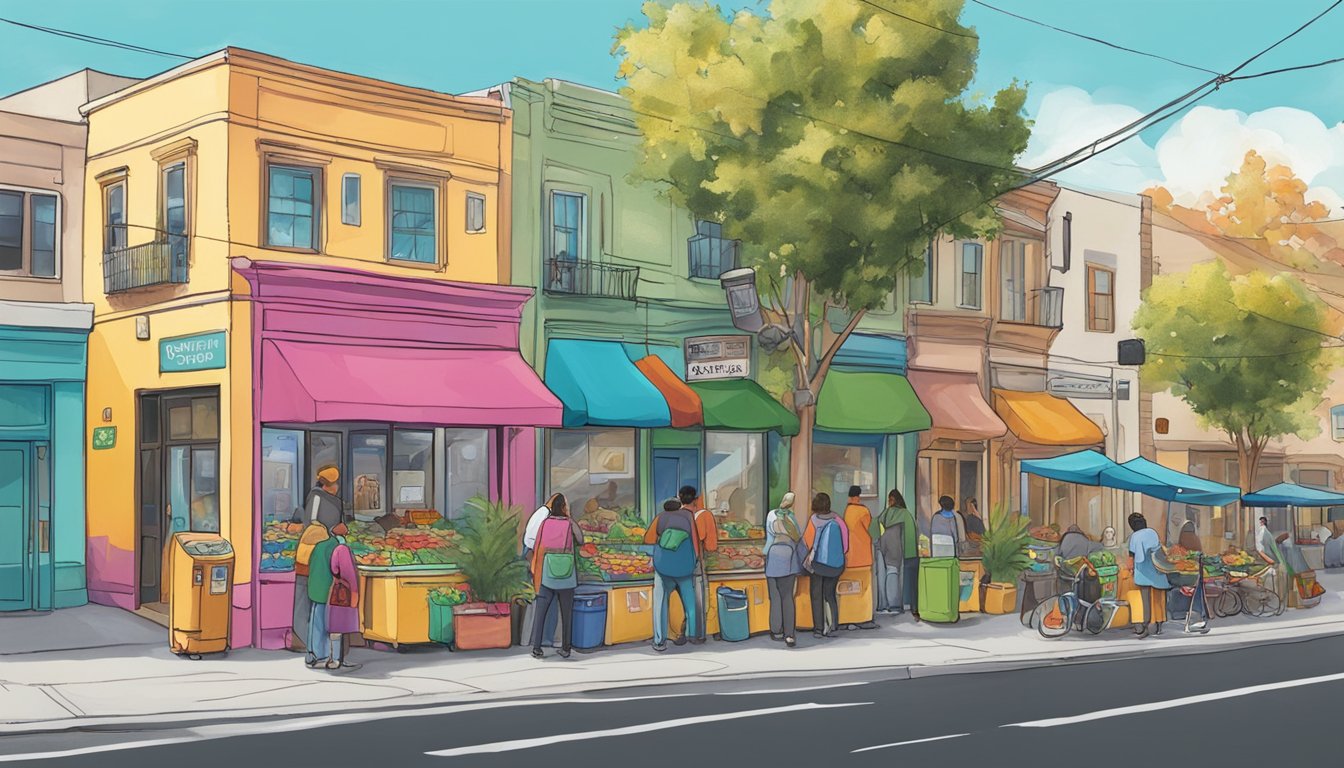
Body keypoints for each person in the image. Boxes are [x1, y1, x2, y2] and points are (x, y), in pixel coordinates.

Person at [289, 466, 343, 654]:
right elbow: (312, 526)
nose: (337, 486)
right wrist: (332, 531)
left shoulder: (334, 501)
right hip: (311, 556)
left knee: (317, 602)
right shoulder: (317, 498)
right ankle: (304, 640)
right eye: (334, 483)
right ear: (327, 485)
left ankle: (314, 645)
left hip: (322, 556)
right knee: (305, 601)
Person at [530, 493, 584, 659]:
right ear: (563, 507)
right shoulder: (569, 523)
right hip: (566, 572)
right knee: (566, 613)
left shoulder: (545, 523)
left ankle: (537, 647)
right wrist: (571, 518)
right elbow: (581, 540)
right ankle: (566, 648)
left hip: (547, 570)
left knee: (541, 612)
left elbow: (538, 545)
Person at [645, 498, 702, 652]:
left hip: (664, 567)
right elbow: (696, 544)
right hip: (685, 567)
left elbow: (648, 539)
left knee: (660, 602)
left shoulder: (660, 518)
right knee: (689, 600)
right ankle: (693, 635)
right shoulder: (688, 518)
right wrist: (694, 560)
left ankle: (659, 640)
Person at [803, 493, 849, 638]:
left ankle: (818, 629)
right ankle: (833, 625)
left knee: (816, 595)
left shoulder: (813, 520)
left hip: (819, 565)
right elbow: (846, 546)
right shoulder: (839, 521)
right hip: (836, 565)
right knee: (830, 594)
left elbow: (807, 543)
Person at [763, 492, 803, 647]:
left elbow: (771, 535)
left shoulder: (771, 516)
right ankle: (789, 634)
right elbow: (798, 536)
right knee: (787, 598)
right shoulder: (792, 519)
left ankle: (776, 630)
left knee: (775, 597)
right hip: (790, 560)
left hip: (773, 558)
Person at [872, 489, 917, 615]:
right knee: (894, 574)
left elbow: (875, 525)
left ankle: (884, 604)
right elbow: (911, 535)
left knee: (883, 575)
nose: (889, 502)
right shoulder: (905, 514)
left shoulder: (886, 512)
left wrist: (877, 543)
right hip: (897, 548)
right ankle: (895, 604)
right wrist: (911, 552)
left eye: (890, 499)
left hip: (883, 546)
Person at [324, 522, 362, 672]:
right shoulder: (343, 550)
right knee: (340, 626)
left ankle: (336, 658)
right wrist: (354, 594)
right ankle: (336, 659)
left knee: (336, 626)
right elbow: (349, 575)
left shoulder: (334, 549)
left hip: (336, 591)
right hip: (344, 594)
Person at [838, 485, 876, 629]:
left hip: (849, 556)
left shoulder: (847, 510)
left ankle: (847, 618)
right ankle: (863, 618)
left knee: (849, 588)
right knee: (863, 588)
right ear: (858, 496)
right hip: (862, 557)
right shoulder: (863, 511)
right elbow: (873, 530)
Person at [1127, 512, 1169, 638]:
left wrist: (1130, 569)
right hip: (1157, 570)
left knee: (1145, 600)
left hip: (1143, 573)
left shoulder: (1134, 536)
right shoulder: (1152, 532)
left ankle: (1145, 626)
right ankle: (1159, 624)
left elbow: (1131, 557)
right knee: (1158, 597)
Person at [685, 486, 717, 644]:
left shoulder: (677, 515)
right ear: (696, 499)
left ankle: (682, 630)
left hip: (677, 563)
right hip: (696, 562)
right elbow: (711, 546)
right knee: (698, 598)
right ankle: (698, 634)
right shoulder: (704, 515)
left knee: (684, 597)